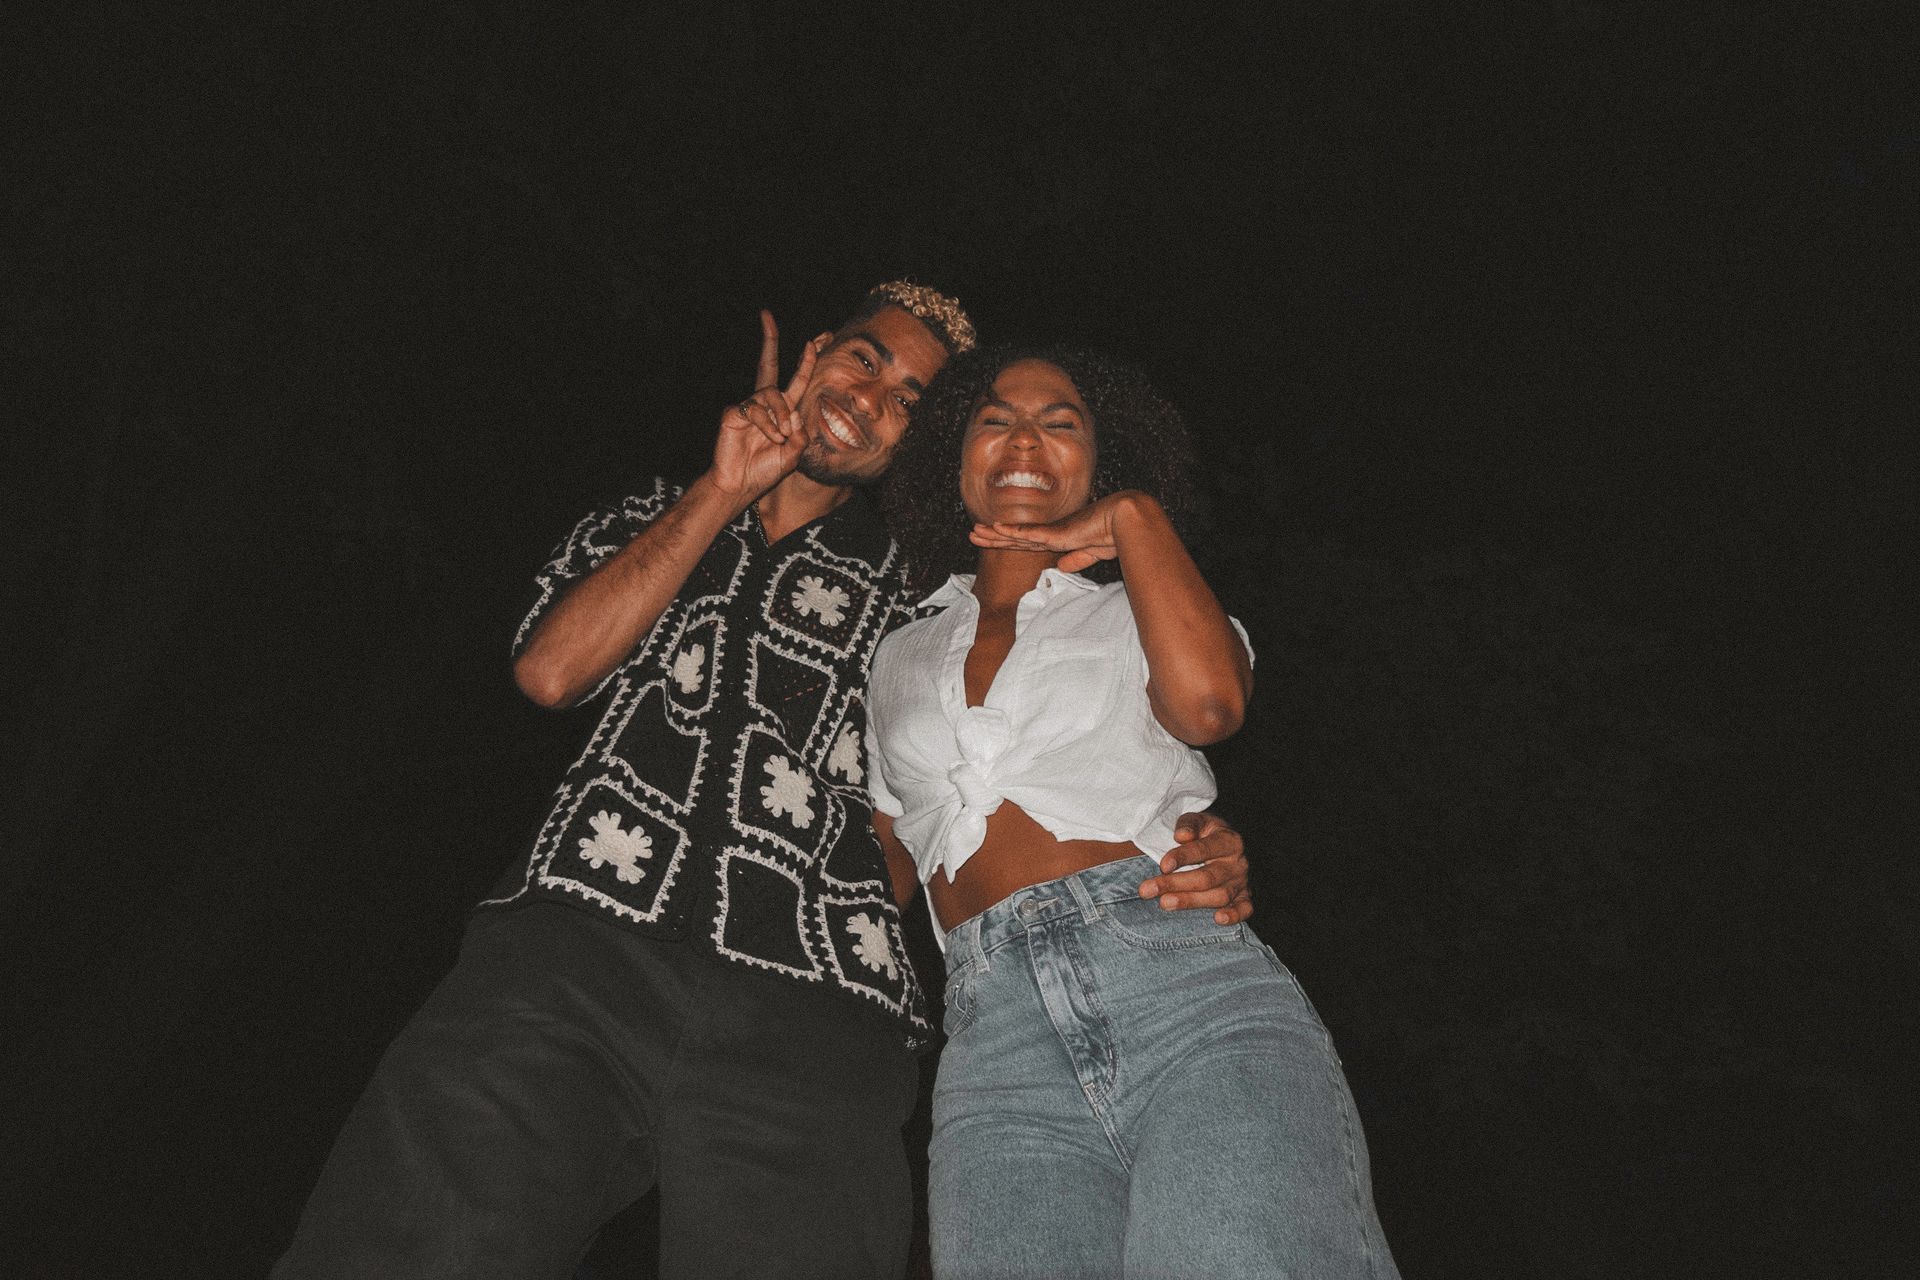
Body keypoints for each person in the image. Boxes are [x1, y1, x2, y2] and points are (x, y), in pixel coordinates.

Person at [274, 285, 1255, 1280]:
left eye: (914, 399)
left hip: (822, 1005)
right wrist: (722, 488)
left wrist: (1184, 834)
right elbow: (551, 669)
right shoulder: (656, 514)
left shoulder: (918, 594)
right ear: (819, 351)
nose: (877, 398)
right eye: (868, 361)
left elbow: (1036, 736)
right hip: (575, 950)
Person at [867, 345, 1400, 1279]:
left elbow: (1208, 709)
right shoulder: (898, 655)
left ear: (1099, 464)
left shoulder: (1136, 608)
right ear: (954, 462)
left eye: (1061, 421)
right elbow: (881, 874)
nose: (1025, 437)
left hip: (1183, 991)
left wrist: (1135, 519)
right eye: (995, 418)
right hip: (993, 1050)